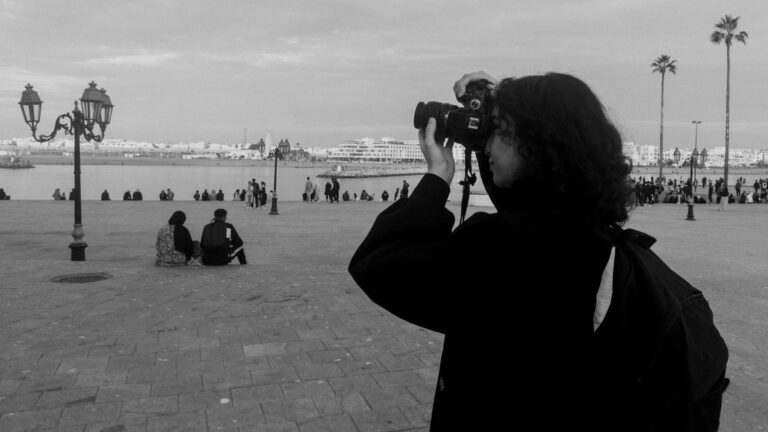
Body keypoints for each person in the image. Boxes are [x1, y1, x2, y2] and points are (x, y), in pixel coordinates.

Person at [348, 72, 727, 430]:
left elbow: (379, 263)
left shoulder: (500, 250)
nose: (489, 144)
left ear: (539, 146)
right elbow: (529, 210)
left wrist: (435, 178)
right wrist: (499, 102)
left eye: (501, 133)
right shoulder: (595, 237)